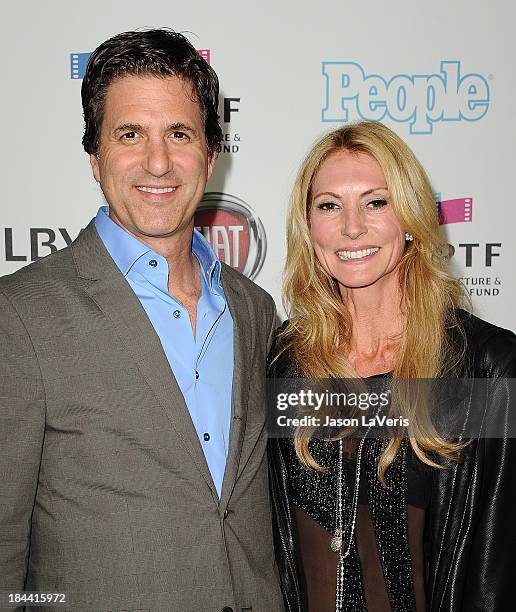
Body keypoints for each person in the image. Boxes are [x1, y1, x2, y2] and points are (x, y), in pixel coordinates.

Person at [0, 29, 284, 612]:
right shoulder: (20, 315)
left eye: (179, 134)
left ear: (210, 155)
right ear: (95, 156)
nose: (158, 162)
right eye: (130, 135)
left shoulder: (254, 309)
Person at [267, 121, 516, 611]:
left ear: (410, 218)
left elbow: (497, 571)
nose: (352, 227)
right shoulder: (283, 362)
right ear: (309, 225)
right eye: (329, 206)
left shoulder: (487, 369)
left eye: (376, 202)